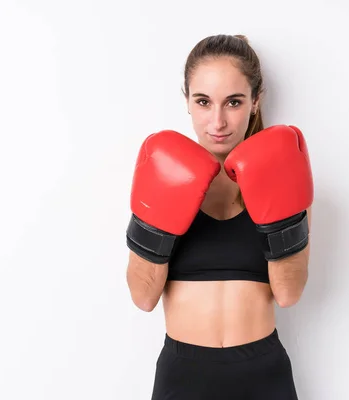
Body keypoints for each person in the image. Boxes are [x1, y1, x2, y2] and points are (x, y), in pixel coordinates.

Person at [124, 34, 313, 399]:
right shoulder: (163, 172)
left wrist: (279, 218)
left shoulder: (283, 171)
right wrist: (159, 222)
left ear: (255, 102)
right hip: (183, 374)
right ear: (188, 103)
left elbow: (289, 293)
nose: (218, 121)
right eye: (203, 102)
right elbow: (143, 297)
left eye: (234, 102)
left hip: (263, 373)